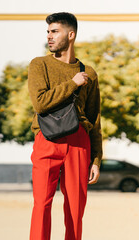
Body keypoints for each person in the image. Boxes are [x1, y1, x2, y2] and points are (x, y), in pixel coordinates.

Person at [28, 12, 102, 240]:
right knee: (41, 204)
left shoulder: (88, 72)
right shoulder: (39, 64)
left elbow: (94, 118)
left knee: (75, 209)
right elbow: (40, 103)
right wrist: (72, 84)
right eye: (48, 32)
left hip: (79, 142)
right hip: (47, 138)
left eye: (54, 31)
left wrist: (96, 159)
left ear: (71, 35)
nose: (49, 36)